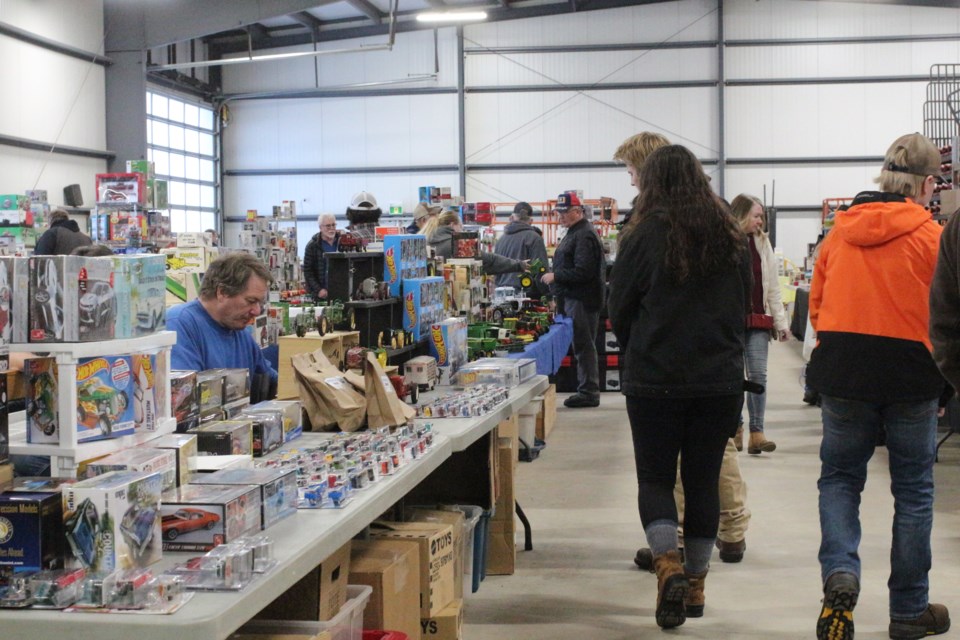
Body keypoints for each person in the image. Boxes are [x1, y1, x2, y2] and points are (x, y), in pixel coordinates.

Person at [808, 132, 951, 640]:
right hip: (913, 376)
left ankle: (841, 573)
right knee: (913, 492)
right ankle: (909, 610)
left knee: (841, 480)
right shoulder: (934, 237)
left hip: (844, 372)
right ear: (928, 183)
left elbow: (818, 308)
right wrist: (946, 386)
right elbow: (950, 315)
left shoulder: (839, 234)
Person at [608, 145, 750, 629]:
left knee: (655, 479)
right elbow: (741, 308)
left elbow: (619, 306)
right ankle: (695, 585)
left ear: (651, 184)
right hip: (719, 380)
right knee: (703, 480)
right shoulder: (730, 235)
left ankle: (666, 563)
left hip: (655, 377)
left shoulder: (644, 234)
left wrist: (637, 348)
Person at [730, 194, 790, 454]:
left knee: (758, 376)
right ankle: (736, 429)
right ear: (742, 215)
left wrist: (781, 322)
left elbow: (773, 287)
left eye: (761, 216)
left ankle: (757, 432)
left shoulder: (762, 243)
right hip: (730, 322)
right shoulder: (726, 242)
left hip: (758, 322)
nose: (760, 221)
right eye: (756, 216)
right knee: (732, 378)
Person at [167, 252, 278, 386]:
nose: (257, 311)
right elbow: (183, 395)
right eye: (251, 301)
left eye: (259, 303)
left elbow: (272, 381)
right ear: (222, 292)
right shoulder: (179, 325)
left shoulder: (240, 333)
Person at [541, 191, 605, 409]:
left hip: (582, 300)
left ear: (578, 211)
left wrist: (555, 276)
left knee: (584, 345)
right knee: (581, 345)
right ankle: (586, 389)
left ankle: (589, 392)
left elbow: (584, 272)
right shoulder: (574, 232)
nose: (560, 216)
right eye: (558, 212)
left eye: (565, 212)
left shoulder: (584, 235)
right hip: (573, 298)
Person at [427, 211, 527, 275]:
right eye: (461, 227)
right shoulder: (457, 244)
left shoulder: (427, 242)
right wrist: (519, 265)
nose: (462, 230)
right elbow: (490, 261)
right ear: (452, 225)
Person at [494, 202, 549, 296]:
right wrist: (548, 296)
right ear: (531, 221)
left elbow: (496, 271)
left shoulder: (500, 240)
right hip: (526, 297)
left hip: (501, 295)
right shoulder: (534, 238)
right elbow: (541, 270)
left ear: (511, 218)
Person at [303, 214, 340, 300]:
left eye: (333, 225)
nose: (331, 228)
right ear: (320, 227)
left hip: (341, 292)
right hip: (321, 295)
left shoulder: (342, 243)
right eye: (328, 226)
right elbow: (308, 272)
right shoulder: (312, 246)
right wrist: (318, 290)